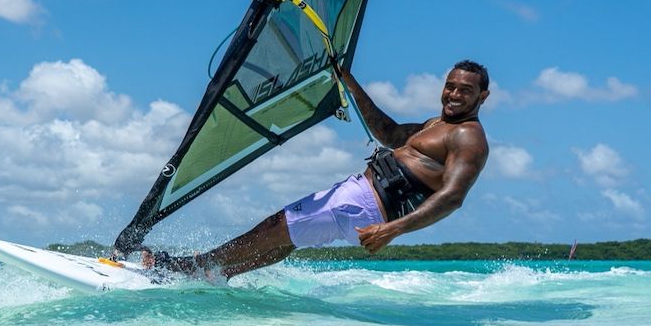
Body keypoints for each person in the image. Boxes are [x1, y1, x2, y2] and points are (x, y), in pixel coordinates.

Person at [145, 60, 491, 279]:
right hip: (362, 204)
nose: (454, 94)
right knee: (286, 241)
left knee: (277, 226)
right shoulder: (438, 123)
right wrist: (351, 84)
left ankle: (188, 268)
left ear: (483, 96)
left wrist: (394, 230)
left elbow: (452, 197)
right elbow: (389, 134)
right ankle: (220, 274)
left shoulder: (468, 137)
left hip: (363, 204)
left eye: (466, 90)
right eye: (450, 86)